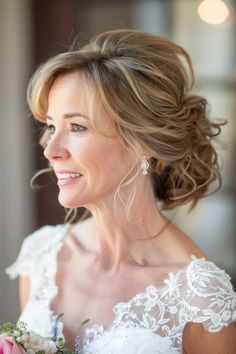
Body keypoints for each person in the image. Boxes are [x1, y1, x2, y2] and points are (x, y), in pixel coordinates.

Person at [6, 29, 236, 354]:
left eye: (77, 127)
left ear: (143, 142)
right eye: (52, 127)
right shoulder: (42, 256)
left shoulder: (200, 297)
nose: (51, 150)